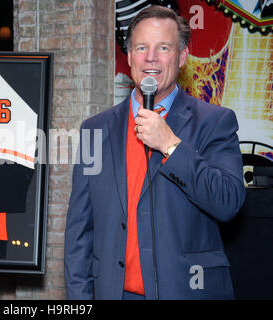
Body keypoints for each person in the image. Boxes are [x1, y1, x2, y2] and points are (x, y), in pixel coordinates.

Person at [64, 5, 245, 300]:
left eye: (163, 47)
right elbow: (79, 233)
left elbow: (228, 202)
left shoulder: (215, 122)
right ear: (130, 56)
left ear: (182, 56)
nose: (151, 57)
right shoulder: (94, 129)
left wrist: (171, 146)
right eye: (141, 47)